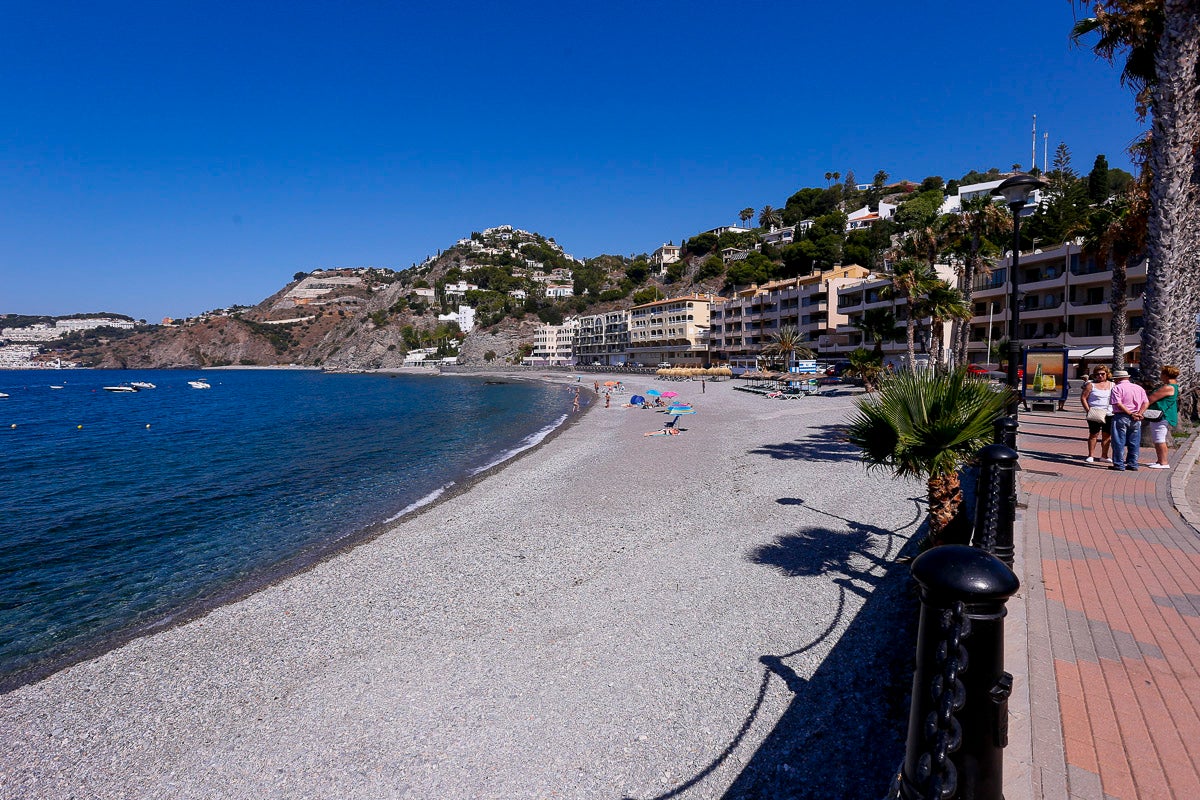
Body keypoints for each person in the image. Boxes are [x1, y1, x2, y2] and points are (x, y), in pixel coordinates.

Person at [1108, 369, 1149, 472]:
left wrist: (1130, 413)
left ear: (1117, 379)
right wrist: (1139, 413)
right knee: (1134, 441)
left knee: (1118, 441)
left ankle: (1119, 464)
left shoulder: (1117, 388)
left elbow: (1118, 403)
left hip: (1121, 416)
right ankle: (1133, 463)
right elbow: (1146, 402)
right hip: (1136, 417)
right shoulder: (1138, 388)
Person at [1145, 365, 1180, 468]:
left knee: (1160, 438)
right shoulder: (1174, 386)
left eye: (1161, 374)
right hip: (1162, 415)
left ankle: (1164, 462)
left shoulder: (1168, 387)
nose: (1160, 376)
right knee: (1157, 438)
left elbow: (1151, 399)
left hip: (1162, 416)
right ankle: (1159, 460)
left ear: (1166, 375)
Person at [1080, 366, 1113, 463]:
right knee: (1093, 434)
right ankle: (1091, 455)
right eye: (1097, 374)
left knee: (1107, 436)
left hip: (1109, 413)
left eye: (1102, 374)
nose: (1100, 376)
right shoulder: (1091, 385)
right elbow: (1083, 398)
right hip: (1095, 413)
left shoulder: (1112, 385)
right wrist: (1088, 410)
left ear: (1107, 374)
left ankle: (1104, 455)